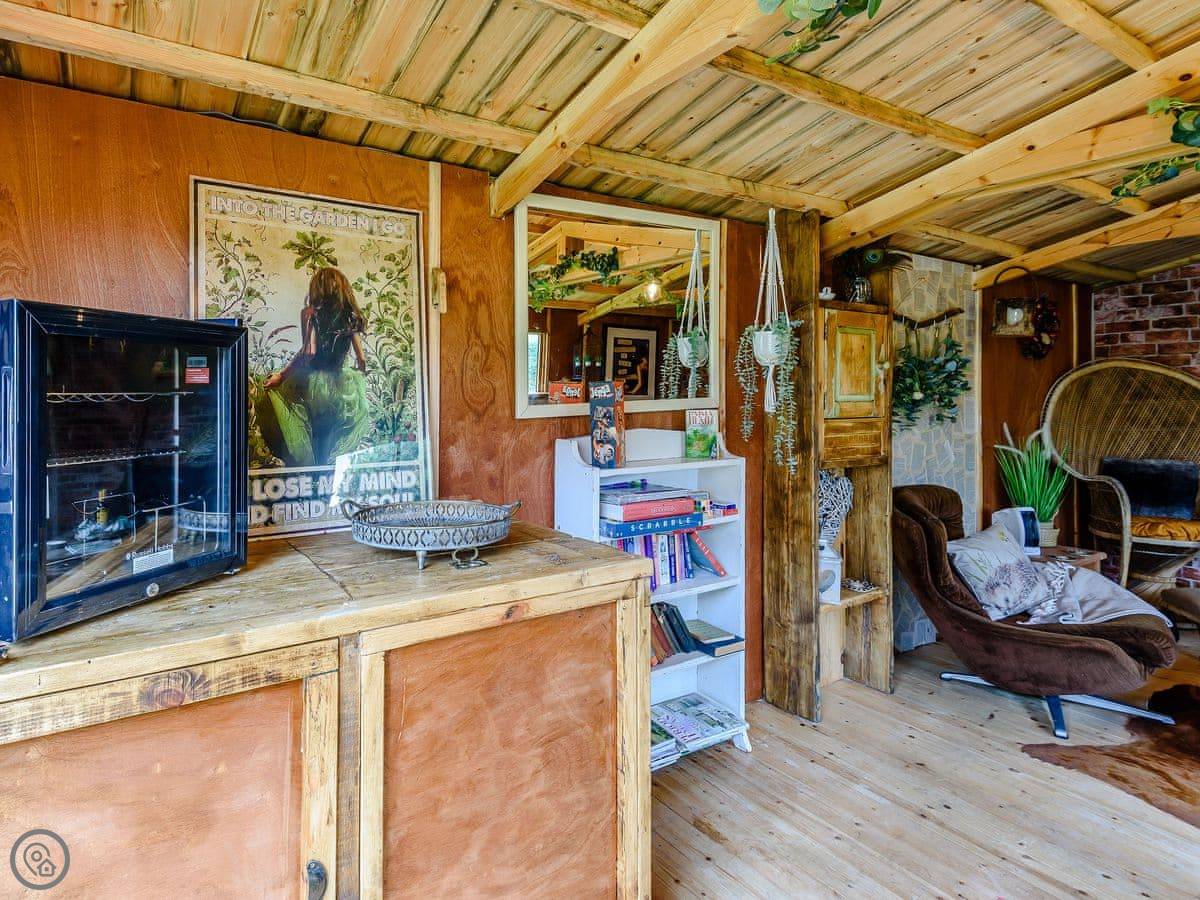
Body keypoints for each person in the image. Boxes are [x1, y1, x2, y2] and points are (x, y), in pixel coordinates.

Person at [256, 267, 371, 467]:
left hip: (315, 382)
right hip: (343, 384)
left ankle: (314, 471)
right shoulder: (349, 317)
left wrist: (282, 376)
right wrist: (356, 377)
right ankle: (326, 470)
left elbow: (309, 352)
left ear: (317, 288)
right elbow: (361, 359)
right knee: (330, 434)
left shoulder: (310, 314)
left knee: (313, 431)